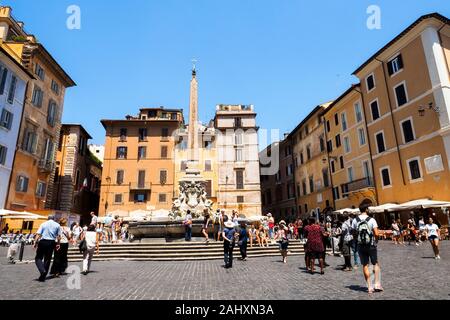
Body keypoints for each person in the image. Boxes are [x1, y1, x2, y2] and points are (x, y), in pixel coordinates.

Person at [352, 206, 382, 294]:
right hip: (371, 244)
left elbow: (353, 233)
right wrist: (376, 240)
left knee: (365, 265)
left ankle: (369, 287)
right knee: (375, 263)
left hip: (361, 245)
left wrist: (357, 240)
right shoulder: (371, 219)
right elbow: (376, 233)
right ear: (366, 210)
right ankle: (377, 284)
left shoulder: (355, 220)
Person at [33, 216, 61, 282]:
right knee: (47, 259)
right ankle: (43, 276)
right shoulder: (57, 225)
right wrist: (58, 244)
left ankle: (42, 270)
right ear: (53, 219)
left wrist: (35, 242)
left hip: (43, 242)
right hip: (51, 242)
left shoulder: (43, 224)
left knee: (38, 258)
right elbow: (59, 236)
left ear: (48, 218)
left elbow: (38, 234)